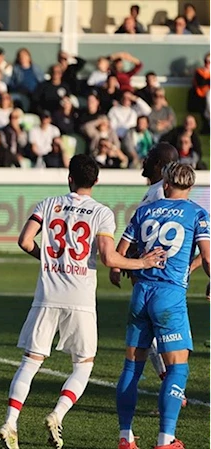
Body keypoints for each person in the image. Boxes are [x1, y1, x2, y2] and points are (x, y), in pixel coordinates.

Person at [0, 154, 167, 449]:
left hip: (47, 296)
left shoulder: (47, 205)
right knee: (83, 365)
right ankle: (57, 415)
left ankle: (11, 422)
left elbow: (24, 241)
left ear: (69, 177)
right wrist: (142, 262)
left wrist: (49, 258)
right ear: (96, 181)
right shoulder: (101, 213)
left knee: (30, 362)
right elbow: (108, 257)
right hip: (81, 299)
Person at [114, 162, 210, 449]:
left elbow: (120, 255)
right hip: (169, 296)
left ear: (166, 183)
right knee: (178, 368)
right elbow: (207, 258)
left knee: (132, 367)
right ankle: (166, 440)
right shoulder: (198, 213)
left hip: (141, 292)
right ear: (190, 187)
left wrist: (118, 272)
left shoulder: (144, 210)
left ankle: (125, 437)